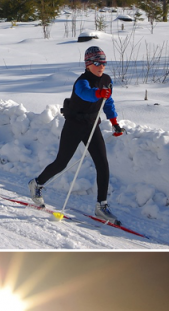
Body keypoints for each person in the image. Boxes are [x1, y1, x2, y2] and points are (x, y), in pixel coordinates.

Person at [28, 46, 124, 223]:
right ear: (88, 64)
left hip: (92, 125)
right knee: (61, 162)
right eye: (96, 63)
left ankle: (101, 206)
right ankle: (37, 184)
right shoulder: (82, 81)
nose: (100, 66)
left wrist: (115, 123)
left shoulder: (107, 80)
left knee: (102, 163)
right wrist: (99, 93)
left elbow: (108, 102)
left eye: (103, 62)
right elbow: (85, 94)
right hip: (74, 125)